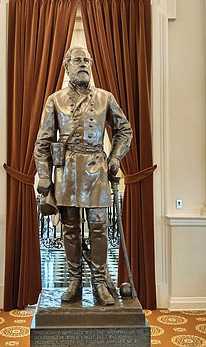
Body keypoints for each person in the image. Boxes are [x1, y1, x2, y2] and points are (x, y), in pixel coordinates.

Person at [34, 46, 132, 305]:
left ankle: (99, 282)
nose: (83, 64)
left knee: (100, 228)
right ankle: (75, 281)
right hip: (66, 172)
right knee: (70, 230)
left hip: (96, 170)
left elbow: (125, 130)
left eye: (86, 60)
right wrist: (44, 174)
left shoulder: (104, 97)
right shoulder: (54, 100)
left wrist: (115, 158)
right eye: (77, 60)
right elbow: (42, 142)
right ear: (66, 66)